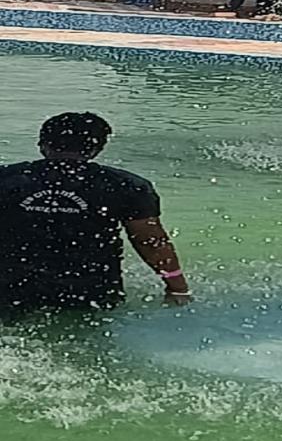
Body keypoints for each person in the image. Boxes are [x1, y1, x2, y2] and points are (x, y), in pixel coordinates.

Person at [0, 112, 191, 318]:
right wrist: (177, 287)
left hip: (10, 287)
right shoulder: (126, 185)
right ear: (96, 149)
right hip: (91, 290)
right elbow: (151, 242)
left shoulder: (6, 178)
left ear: (42, 144)